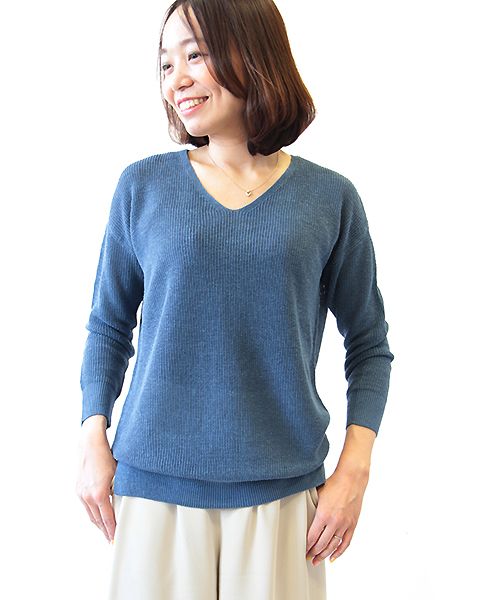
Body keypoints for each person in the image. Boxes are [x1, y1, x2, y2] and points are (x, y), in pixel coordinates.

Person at [76, 0, 395, 598]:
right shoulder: (142, 187)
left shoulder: (329, 199)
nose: (177, 79)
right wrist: (93, 435)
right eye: (166, 63)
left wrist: (355, 469)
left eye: (195, 54)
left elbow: (369, 344)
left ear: (253, 50)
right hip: (154, 491)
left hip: (282, 498)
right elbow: (109, 327)